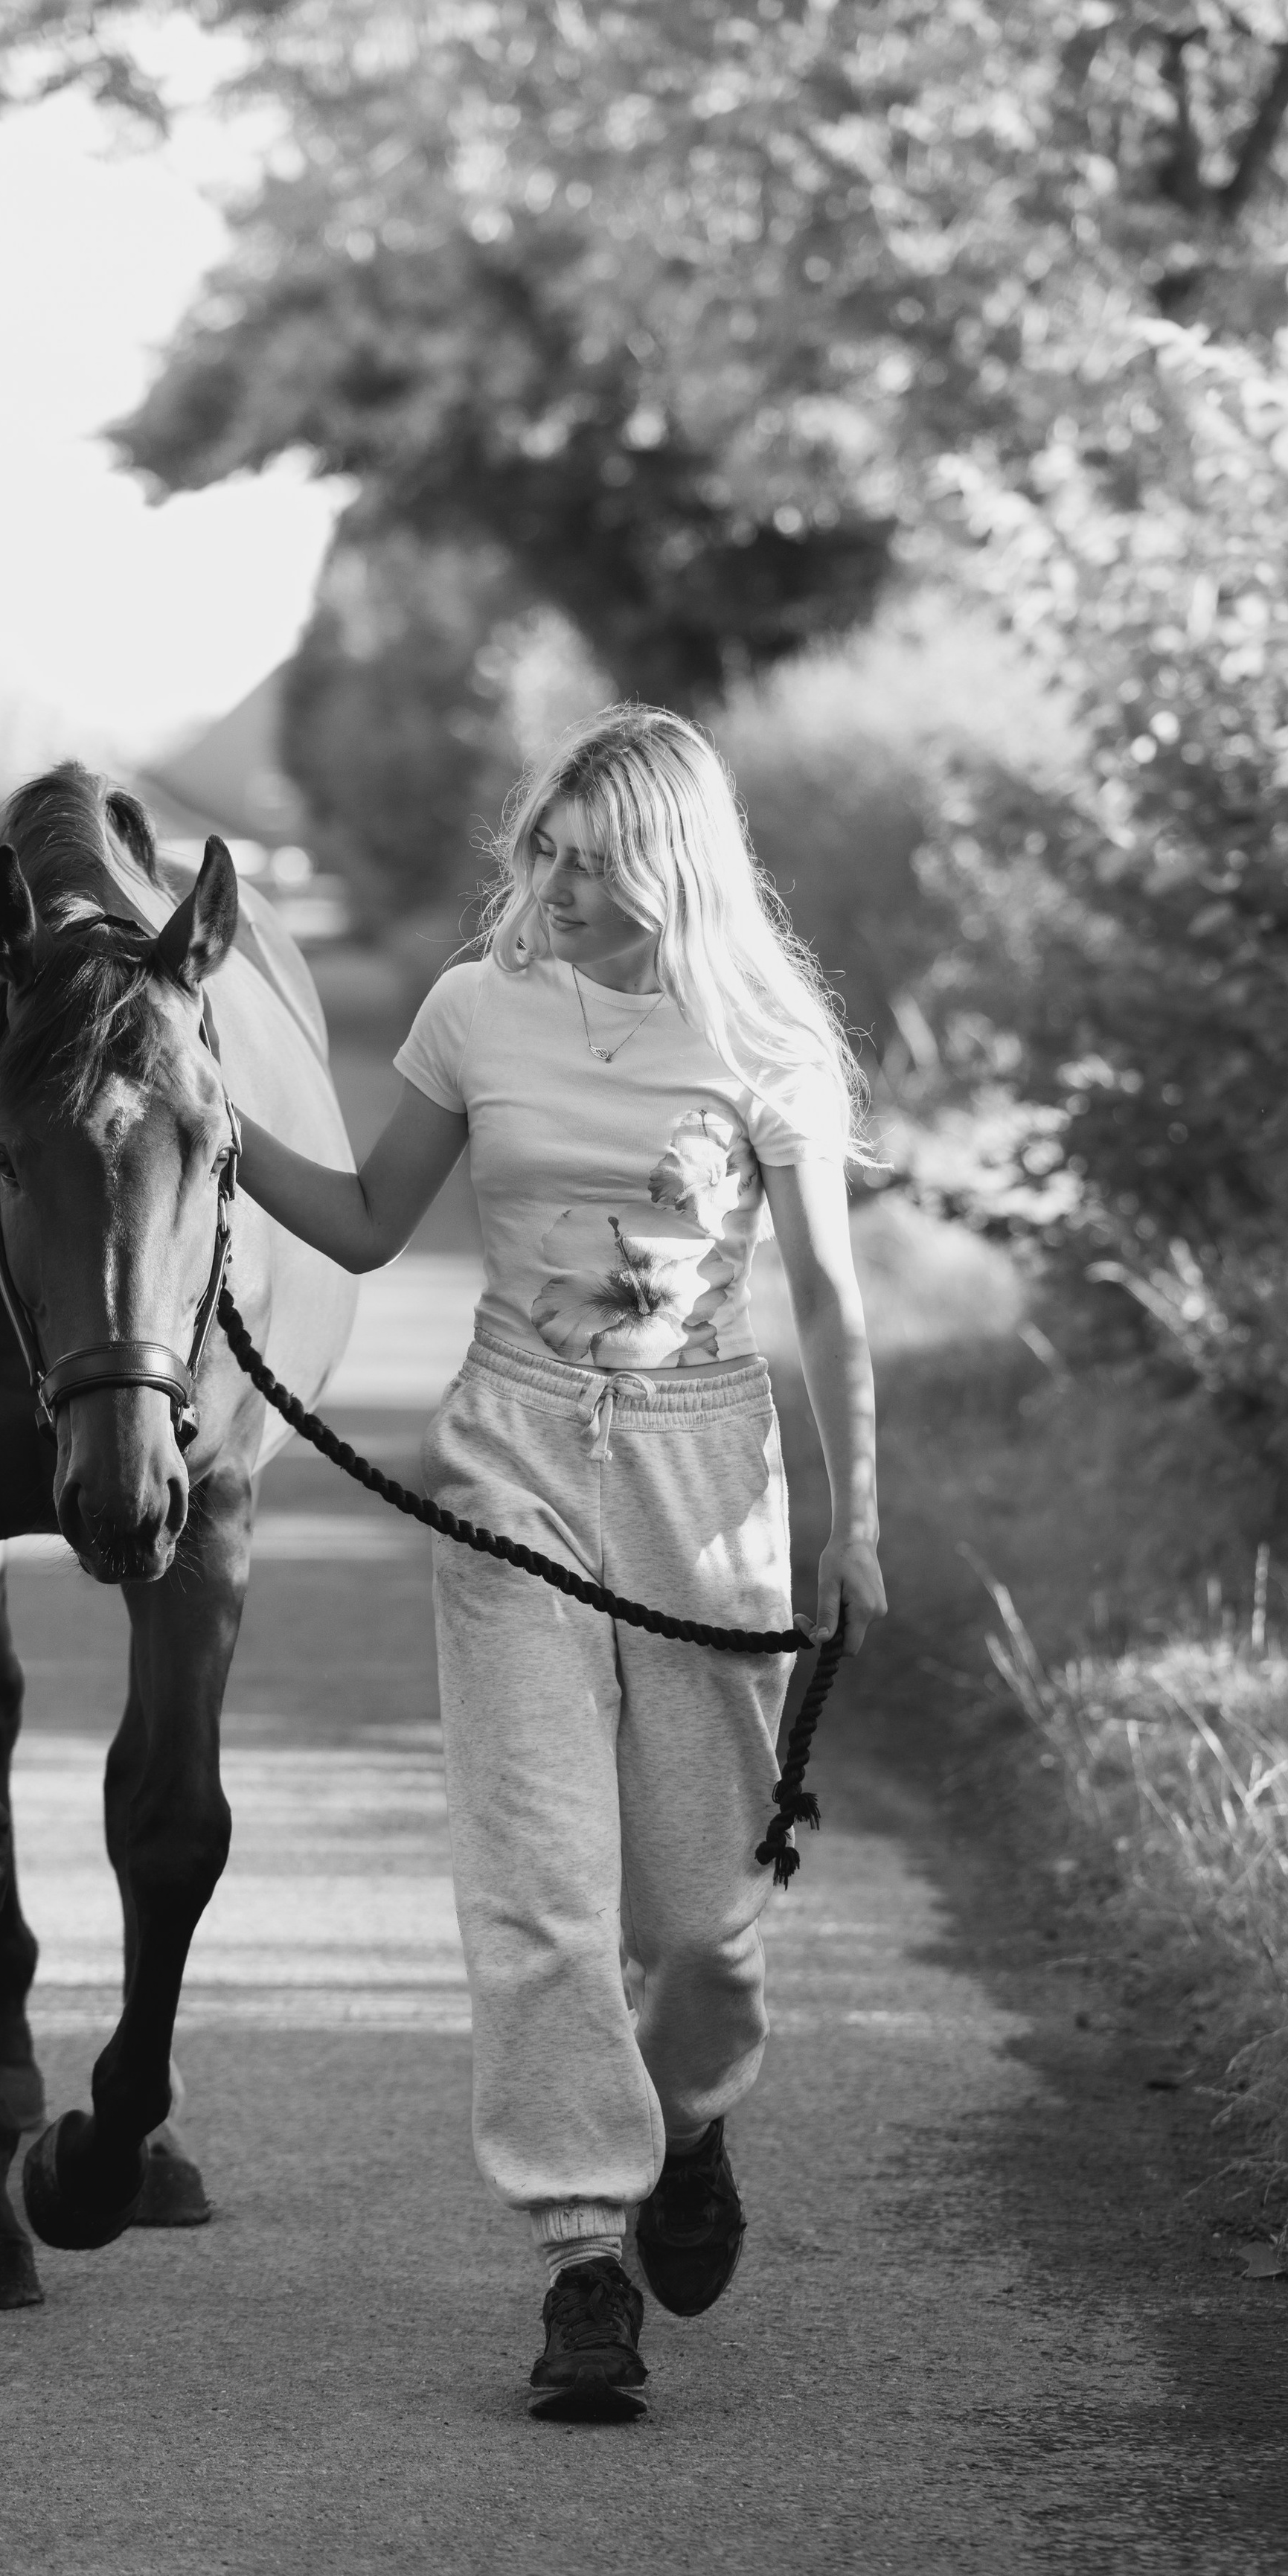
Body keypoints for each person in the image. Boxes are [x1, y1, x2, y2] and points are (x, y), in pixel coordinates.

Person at [231, 703, 886, 2420]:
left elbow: (824, 1301)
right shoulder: (473, 1009)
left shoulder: (765, 1040)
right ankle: (578, 2253)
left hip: (705, 1471)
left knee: (698, 1923)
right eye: (548, 854)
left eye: (598, 863)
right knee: (538, 1886)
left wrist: (855, 1519)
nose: (562, 887)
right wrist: (207, 1126)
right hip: (513, 1452)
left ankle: (687, 2119)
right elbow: (371, 1222)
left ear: (674, 867)